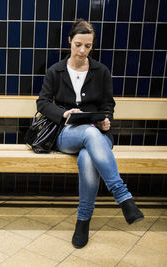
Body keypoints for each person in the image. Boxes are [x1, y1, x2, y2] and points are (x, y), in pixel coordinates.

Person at [36, 19, 144, 249]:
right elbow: (43, 103)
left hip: (97, 136)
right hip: (67, 135)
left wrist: (107, 120)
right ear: (69, 42)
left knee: (88, 155)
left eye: (88, 46)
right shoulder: (55, 71)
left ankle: (83, 221)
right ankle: (123, 197)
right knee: (88, 135)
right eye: (78, 45)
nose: (82, 51)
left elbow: (108, 104)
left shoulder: (101, 71)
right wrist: (65, 114)